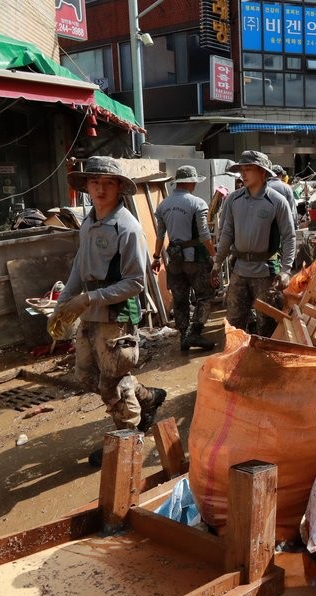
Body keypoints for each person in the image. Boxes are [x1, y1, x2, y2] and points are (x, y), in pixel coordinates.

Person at [53, 156, 165, 467]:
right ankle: (148, 398)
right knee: (88, 376)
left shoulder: (126, 226)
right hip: (89, 312)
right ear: (86, 185)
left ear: (119, 188)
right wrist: (64, 302)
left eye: (108, 183)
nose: (100, 189)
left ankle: (127, 441)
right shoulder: (88, 221)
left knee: (113, 380)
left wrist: (88, 299)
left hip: (116, 315)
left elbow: (136, 283)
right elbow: (79, 264)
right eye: (94, 182)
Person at [210, 151, 296, 337]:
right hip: (239, 270)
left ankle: (264, 362)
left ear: (263, 173)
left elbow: (289, 236)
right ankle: (238, 361)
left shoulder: (277, 201)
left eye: (249, 169)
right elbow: (227, 233)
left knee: (267, 324)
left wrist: (286, 270)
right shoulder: (234, 199)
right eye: (242, 169)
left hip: (265, 272)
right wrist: (217, 262)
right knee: (234, 323)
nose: (243, 174)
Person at [151, 165, 216, 352]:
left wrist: (156, 258)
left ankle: (183, 337)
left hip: (174, 260)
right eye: (194, 181)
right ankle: (195, 332)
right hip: (196, 260)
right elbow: (204, 235)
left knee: (180, 299)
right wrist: (215, 257)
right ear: (189, 182)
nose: (195, 184)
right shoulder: (197, 203)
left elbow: (160, 236)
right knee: (205, 296)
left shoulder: (163, 206)